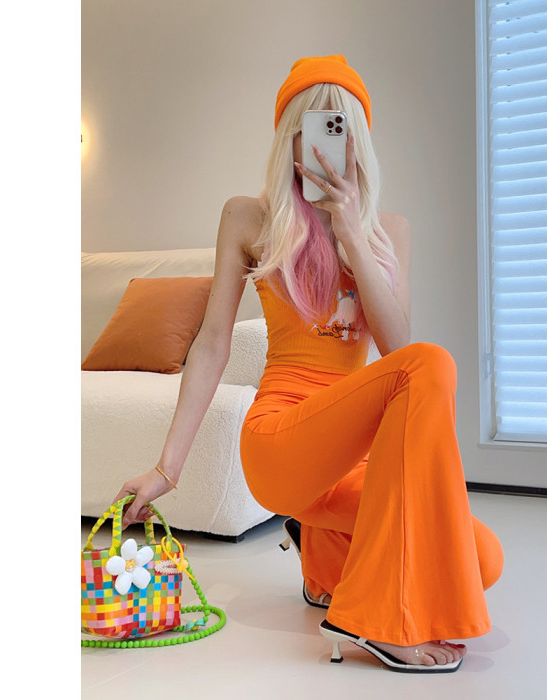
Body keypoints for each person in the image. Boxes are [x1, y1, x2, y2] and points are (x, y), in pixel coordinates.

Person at [115, 54, 503, 673]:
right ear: (288, 138)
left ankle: (323, 557)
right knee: (433, 364)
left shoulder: (389, 231)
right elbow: (212, 342)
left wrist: (352, 235)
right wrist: (167, 468)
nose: (324, 145)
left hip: (353, 457)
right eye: (311, 127)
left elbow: (396, 349)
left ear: (359, 141)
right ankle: (372, 621)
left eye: (338, 128)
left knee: (482, 559)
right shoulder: (249, 217)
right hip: (282, 441)